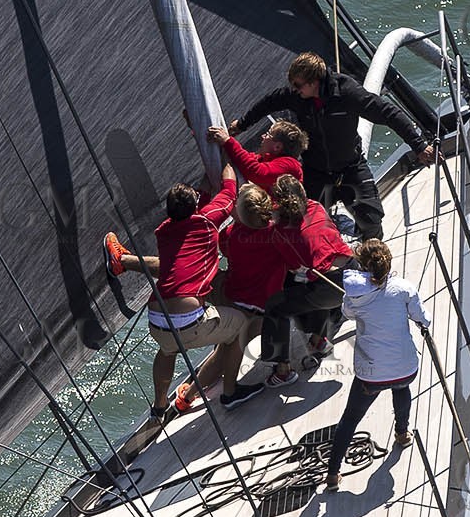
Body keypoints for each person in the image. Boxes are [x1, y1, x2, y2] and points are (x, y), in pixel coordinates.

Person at [227, 52, 435, 240]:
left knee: (371, 222)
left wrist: (418, 146)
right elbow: (269, 102)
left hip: (350, 167)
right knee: (298, 226)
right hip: (314, 170)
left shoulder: (347, 93)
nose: (294, 90)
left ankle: (369, 260)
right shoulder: (297, 97)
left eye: (298, 85)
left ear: (314, 82)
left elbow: (389, 113)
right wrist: (242, 124)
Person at [102, 163, 245, 420]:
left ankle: (159, 407)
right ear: (196, 208)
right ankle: (228, 392)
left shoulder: (164, 231)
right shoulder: (207, 222)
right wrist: (223, 155)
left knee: (168, 350)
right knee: (238, 330)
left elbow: (197, 200)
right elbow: (230, 189)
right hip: (190, 319)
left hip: (156, 319)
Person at [221, 175, 352, 407]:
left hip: (330, 288)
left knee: (277, 306)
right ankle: (318, 340)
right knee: (305, 290)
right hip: (352, 273)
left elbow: (293, 266)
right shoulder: (316, 206)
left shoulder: (280, 233)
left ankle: (283, 371)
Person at [172, 183, 288, 413]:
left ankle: (186, 397)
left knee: (223, 351)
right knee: (228, 350)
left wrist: (208, 198)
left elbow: (226, 243)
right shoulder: (277, 234)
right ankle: (228, 393)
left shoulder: (229, 235)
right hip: (257, 308)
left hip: (231, 297)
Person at [325, 239, 430, 489]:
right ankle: (402, 434)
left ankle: (332, 474)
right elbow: (422, 318)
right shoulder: (403, 288)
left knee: (350, 418)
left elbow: (348, 314)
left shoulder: (354, 297)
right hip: (405, 368)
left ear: (362, 267)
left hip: (370, 376)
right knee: (401, 387)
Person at [206, 120, 307, 191]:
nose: (263, 136)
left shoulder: (290, 165)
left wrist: (228, 142)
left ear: (277, 147)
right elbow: (246, 159)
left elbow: (257, 173)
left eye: (268, 134)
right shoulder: (263, 159)